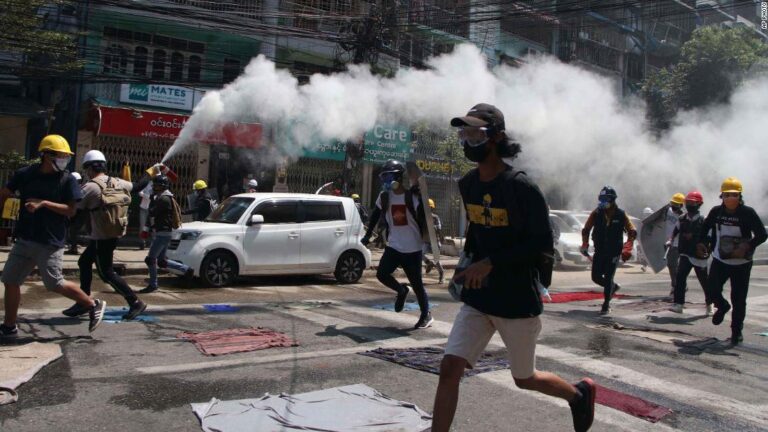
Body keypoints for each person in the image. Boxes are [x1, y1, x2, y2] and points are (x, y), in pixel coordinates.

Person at [432, 104, 595, 432]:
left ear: (496, 137)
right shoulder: (468, 184)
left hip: (516, 300)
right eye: (463, 133)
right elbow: (478, 232)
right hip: (479, 298)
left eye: (474, 133)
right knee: (450, 369)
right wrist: (467, 265)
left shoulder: (521, 187)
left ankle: (578, 394)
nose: (467, 141)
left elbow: (540, 245)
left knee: (524, 378)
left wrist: (491, 263)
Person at [0, 135, 106, 338]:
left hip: (50, 241)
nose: (64, 159)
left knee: (54, 283)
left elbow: (71, 210)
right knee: (10, 280)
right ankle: (9, 326)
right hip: (25, 237)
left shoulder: (66, 180)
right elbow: (4, 192)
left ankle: (93, 304)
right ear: (46, 156)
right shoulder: (25, 174)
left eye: (66, 156)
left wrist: (44, 203)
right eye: (60, 155)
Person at [62, 150, 147, 320]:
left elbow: (73, 210)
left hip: (101, 236)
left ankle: (135, 302)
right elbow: (138, 186)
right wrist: (150, 174)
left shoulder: (90, 187)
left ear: (88, 168)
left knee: (107, 273)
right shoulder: (117, 182)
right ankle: (84, 300)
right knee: (84, 261)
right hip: (112, 233)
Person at [361, 159, 433, 329]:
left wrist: (422, 193)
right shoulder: (384, 196)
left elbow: (425, 218)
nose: (385, 181)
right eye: (383, 178)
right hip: (394, 246)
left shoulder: (412, 197)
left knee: (417, 284)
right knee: (382, 274)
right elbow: (375, 215)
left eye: (388, 177)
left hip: (413, 248)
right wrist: (368, 235)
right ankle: (401, 291)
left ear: (399, 177)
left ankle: (426, 315)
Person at [698, 177, 767, 345]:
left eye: (734, 195)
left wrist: (747, 245)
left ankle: (737, 332)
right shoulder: (716, 212)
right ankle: (722, 306)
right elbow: (704, 228)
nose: (730, 198)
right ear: (721, 196)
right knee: (712, 289)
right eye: (727, 194)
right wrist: (701, 243)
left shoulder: (748, 213)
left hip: (741, 263)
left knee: (739, 298)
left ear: (740, 196)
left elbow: (762, 234)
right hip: (720, 260)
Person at [581, 186, 636, 315]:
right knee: (595, 277)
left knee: (609, 276)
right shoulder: (596, 213)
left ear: (612, 200)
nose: (602, 202)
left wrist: (627, 248)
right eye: (601, 199)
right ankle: (613, 287)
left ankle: (606, 305)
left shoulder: (621, 214)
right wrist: (585, 244)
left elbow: (632, 231)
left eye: (605, 199)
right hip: (599, 250)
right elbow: (586, 229)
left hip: (614, 252)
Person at [139, 175, 193, 293]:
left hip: (162, 233)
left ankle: (153, 285)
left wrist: (150, 200)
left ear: (162, 186)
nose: (154, 187)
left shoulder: (164, 199)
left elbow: (153, 213)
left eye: (157, 185)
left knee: (150, 259)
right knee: (162, 261)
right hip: (163, 232)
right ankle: (187, 270)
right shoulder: (161, 197)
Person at [669, 191, 711, 315]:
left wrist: (703, 246)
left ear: (699, 204)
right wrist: (670, 240)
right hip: (685, 253)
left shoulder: (704, 221)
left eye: (692, 202)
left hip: (698, 256)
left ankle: (710, 303)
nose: (689, 205)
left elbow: (709, 237)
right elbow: (675, 231)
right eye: (687, 202)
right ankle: (678, 304)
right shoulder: (682, 219)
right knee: (680, 278)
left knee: (704, 281)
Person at [665, 193, 685, 297]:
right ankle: (677, 285)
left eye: (677, 204)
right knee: (671, 265)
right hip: (667, 242)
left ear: (681, 205)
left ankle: (676, 286)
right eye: (673, 203)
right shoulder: (667, 211)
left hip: (676, 244)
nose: (674, 206)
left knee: (673, 265)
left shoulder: (683, 217)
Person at [423, 198, 445, 284]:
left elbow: (439, 228)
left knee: (437, 260)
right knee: (419, 253)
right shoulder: (422, 218)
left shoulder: (435, 217)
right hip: (425, 241)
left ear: (432, 208)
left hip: (435, 241)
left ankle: (441, 274)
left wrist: (432, 227)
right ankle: (429, 263)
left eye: (429, 207)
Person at [65, 172, 86, 255]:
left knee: (73, 230)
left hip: (80, 213)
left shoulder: (81, 189)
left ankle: (74, 248)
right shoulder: (74, 189)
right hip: (76, 213)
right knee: (72, 231)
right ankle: (73, 247)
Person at [138, 181, 153, 250]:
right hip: (144, 207)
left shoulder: (158, 184)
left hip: (153, 209)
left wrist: (148, 196)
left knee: (154, 226)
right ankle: (142, 242)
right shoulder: (147, 183)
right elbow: (140, 192)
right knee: (143, 226)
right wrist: (148, 196)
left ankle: (154, 243)